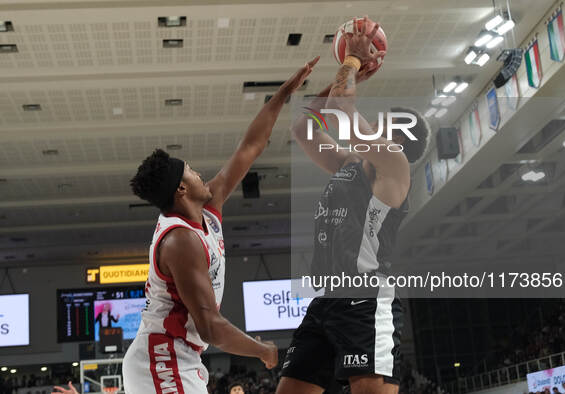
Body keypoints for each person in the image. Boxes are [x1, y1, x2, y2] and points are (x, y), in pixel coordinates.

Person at [122, 56, 319, 394]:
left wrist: (285, 92)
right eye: (191, 171)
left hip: (181, 357)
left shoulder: (207, 208)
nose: (200, 174)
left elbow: (250, 147)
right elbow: (210, 326)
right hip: (161, 358)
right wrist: (263, 350)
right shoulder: (180, 241)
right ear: (182, 190)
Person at [277, 17, 430, 394]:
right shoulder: (347, 163)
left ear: (398, 137)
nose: (379, 120)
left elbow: (342, 112)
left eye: (388, 121)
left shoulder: (392, 163)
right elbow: (302, 127)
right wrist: (346, 78)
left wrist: (353, 62)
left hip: (365, 299)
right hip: (326, 300)